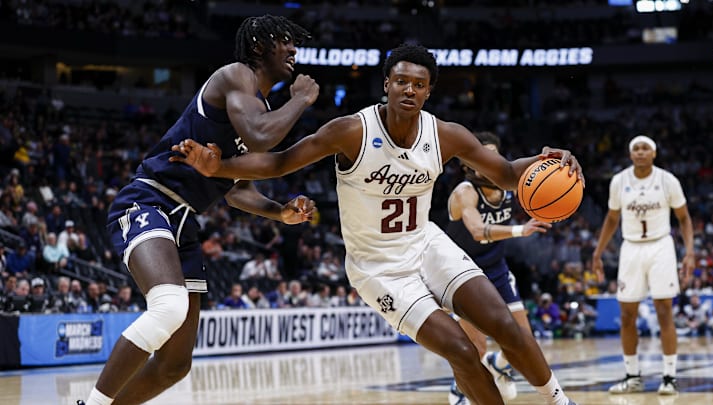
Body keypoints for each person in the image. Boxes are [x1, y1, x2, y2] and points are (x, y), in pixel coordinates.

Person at [171, 43, 582, 405]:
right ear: (386, 84)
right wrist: (220, 167)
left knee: (504, 324)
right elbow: (280, 161)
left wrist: (547, 160)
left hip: (426, 244)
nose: (409, 90)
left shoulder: (446, 135)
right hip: (378, 268)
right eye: (401, 81)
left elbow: (508, 174)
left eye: (418, 84)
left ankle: (559, 401)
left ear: (428, 91)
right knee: (461, 349)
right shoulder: (351, 131)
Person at [79, 14, 318, 405]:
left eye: (295, 43)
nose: (293, 49)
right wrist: (301, 99)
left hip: (186, 224)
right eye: (284, 41)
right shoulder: (236, 76)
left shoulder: (260, 104)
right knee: (169, 305)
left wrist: (279, 212)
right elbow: (260, 136)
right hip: (149, 200)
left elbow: (236, 190)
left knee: (175, 365)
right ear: (259, 46)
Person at [444, 131, 552, 403]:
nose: (489, 159)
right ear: (468, 164)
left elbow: (538, 175)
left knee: (525, 341)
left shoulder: (507, 186)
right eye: (483, 155)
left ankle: (501, 363)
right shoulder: (464, 192)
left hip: (496, 268)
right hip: (464, 272)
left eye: (494, 154)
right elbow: (478, 231)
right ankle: (459, 390)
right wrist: (520, 229)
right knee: (475, 347)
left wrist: (553, 160)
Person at [592, 135, 695, 395]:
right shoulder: (619, 181)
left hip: (661, 246)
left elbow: (683, 218)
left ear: (654, 153)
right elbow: (612, 218)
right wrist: (598, 252)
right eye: (635, 149)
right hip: (631, 248)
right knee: (627, 315)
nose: (640, 152)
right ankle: (632, 376)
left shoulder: (667, 180)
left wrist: (690, 252)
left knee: (664, 311)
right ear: (630, 155)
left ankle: (669, 377)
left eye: (645, 148)